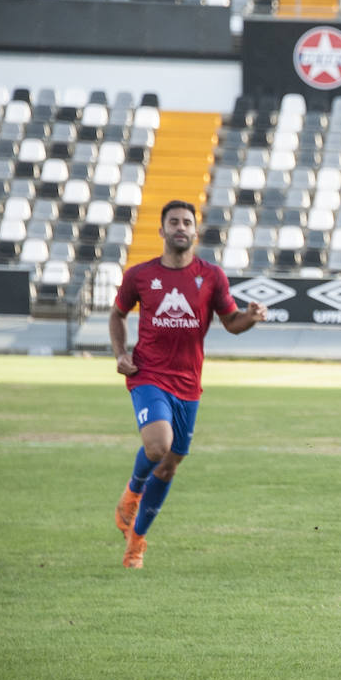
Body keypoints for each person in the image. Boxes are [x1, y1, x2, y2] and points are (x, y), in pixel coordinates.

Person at [110, 199, 267, 568]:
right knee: (159, 445)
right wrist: (120, 353)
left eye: (186, 222)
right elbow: (117, 314)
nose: (180, 228)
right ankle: (132, 493)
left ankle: (137, 541)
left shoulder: (211, 276)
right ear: (162, 230)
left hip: (189, 383)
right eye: (174, 222)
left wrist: (251, 317)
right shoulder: (140, 275)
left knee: (169, 466)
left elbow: (231, 323)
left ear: (195, 231)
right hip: (147, 374)